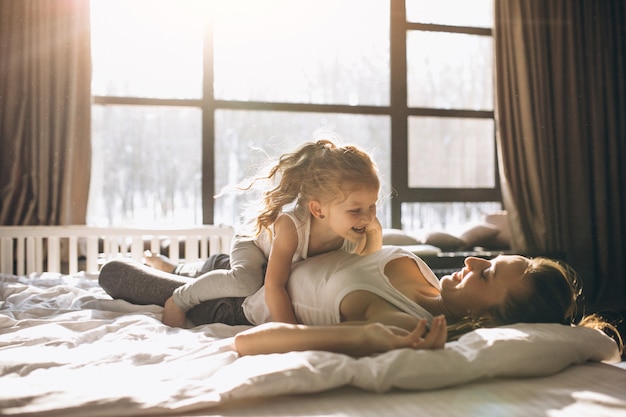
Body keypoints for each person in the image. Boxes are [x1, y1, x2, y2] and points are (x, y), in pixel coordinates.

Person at [99, 245, 623, 357]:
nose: (471, 264)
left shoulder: (397, 316)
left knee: (113, 273)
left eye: (484, 275)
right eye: (487, 258)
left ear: (484, 316)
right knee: (210, 264)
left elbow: (257, 340)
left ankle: (166, 274)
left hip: (243, 302)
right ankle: (176, 265)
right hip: (261, 266)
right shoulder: (434, 277)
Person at [157, 138, 383, 327]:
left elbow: (367, 266)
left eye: (372, 206)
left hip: (270, 257)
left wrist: (375, 235)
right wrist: (292, 331)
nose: (368, 217)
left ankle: (178, 267)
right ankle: (178, 299)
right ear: (318, 210)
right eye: (356, 210)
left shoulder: (358, 223)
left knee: (225, 269)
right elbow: (274, 286)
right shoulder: (292, 227)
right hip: (253, 244)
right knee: (247, 282)